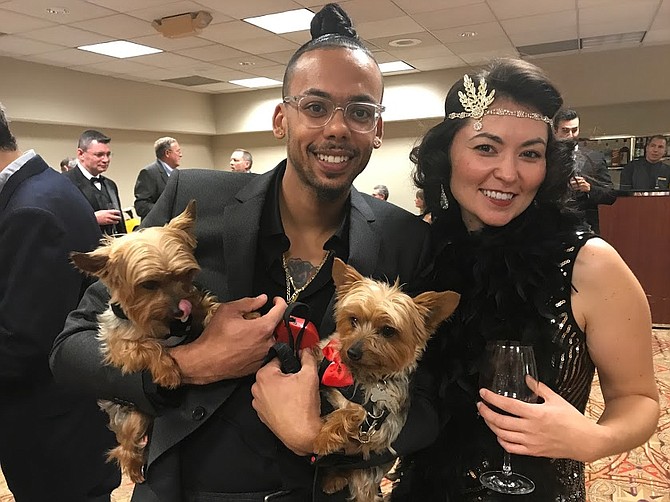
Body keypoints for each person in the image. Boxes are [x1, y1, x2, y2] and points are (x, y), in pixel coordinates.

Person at [50, 4, 437, 501]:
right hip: (185, 488)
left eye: (360, 112)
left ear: (378, 130)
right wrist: (192, 363)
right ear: (282, 119)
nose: (337, 128)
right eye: (315, 107)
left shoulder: (407, 240)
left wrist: (327, 437)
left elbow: (429, 402)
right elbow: (71, 349)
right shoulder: (192, 202)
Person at [390, 59, 659, 502]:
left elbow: (639, 399)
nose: (510, 173)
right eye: (486, 148)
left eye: (530, 153)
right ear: (446, 154)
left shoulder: (590, 265)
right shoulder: (419, 253)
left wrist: (596, 440)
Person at [0, 102, 120, 501]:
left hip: (52, 433)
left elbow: (22, 346)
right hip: (66, 425)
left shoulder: (30, 210)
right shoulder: (46, 185)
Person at [552, 108, 616, 233]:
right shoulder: (545, 157)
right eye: (565, 130)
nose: (571, 135)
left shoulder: (594, 158)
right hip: (550, 226)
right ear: (555, 130)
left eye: (574, 130)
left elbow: (610, 195)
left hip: (585, 226)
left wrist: (589, 188)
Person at [63, 129, 126, 235]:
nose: (106, 159)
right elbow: (58, 221)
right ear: (81, 154)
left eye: (108, 154)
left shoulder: (110, 185)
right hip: (83, 250)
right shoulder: (64, 182)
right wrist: (93, 219)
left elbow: (120, 224)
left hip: (112, 248)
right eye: (99, 154)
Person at [134, 136, 182, 218]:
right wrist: (167, 211)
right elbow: (141, 206)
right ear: (167, 153)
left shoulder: (178, 174)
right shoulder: (149, 173)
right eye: (178, 151)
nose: (181, 155)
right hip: (158, 228)